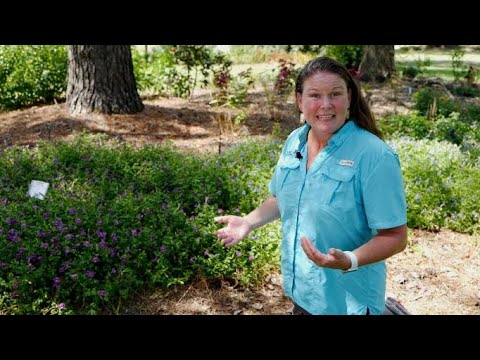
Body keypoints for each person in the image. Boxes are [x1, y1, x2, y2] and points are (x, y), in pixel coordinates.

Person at [214, 56, 408, 315]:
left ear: (349, 97)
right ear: (300, 101)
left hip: (349, 305)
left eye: (335, 94)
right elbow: (285, 197)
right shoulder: (296, 140)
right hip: (303, 295)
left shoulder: (374, 156)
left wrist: (349, 260)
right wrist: (249, 222)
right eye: (315, 95)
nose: (325, 105)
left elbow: (395, 236)